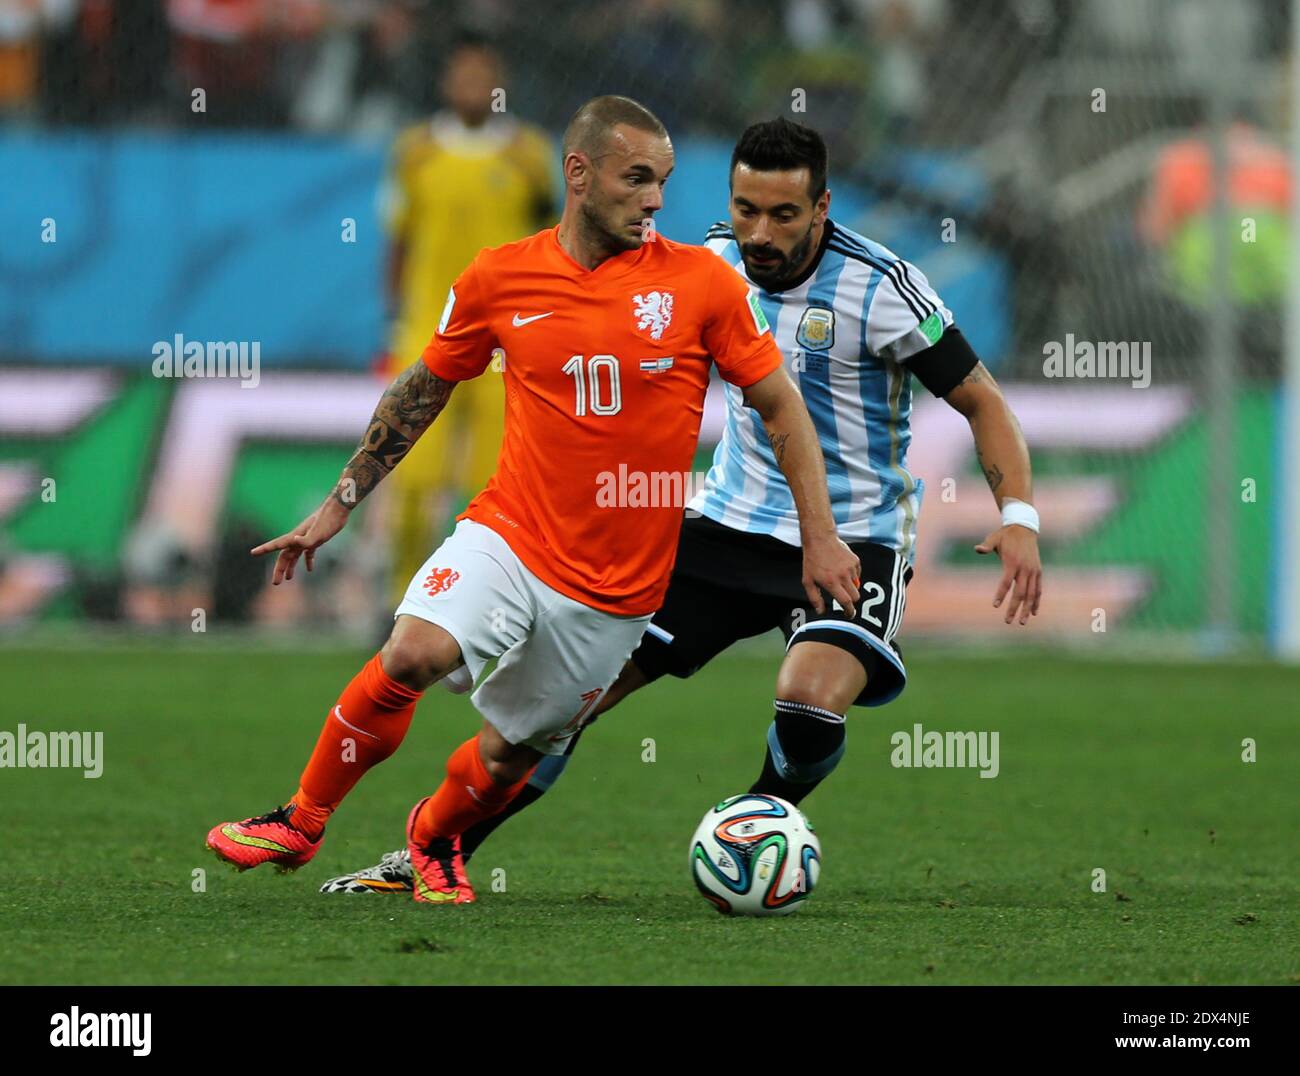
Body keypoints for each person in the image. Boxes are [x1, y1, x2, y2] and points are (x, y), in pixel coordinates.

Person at [322, 118, 1043, 897]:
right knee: (564, 708)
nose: (759, 234)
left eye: (784, 215)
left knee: (808, 703)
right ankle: (431, 852)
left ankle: (758, 824)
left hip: (852, 536)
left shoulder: (883, 287)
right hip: (723, 525)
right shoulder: (705, 265)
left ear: (823, 208)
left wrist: (1018, 517)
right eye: (745, 210)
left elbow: (981, 400)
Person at [206, 99, 861, 905]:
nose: (656, 199)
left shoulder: (701, 285)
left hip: (617, 591)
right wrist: (343, 499)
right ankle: (302, 819)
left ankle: (435, 842)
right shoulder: (498, 275)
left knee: (515, 751)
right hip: (509, 535)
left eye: (663, 182)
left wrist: (820, 537)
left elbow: (781, 405)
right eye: (637, 179)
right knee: (411, 653)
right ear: (578, 174)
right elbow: (424, 386)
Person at [381, 33, 556, 603]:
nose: (474, 87)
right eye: (464, 76)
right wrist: (393, 320)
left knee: (494, 482)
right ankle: (398, 602)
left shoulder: (529, 155)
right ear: (446, 83)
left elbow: (552, 243)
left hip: (507, 344)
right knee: (410, 477)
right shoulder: (415, 152)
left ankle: (480, 601)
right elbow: (398, 242)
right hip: (425, 335)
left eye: (485, 77)